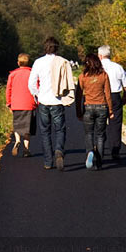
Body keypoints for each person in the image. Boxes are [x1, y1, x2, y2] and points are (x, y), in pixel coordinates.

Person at [28, 37, 75, 171]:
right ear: (57, 48)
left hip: (43, 100)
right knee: (60, 129)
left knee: (45, 131)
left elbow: (31, 83)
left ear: (45, 47)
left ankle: (48, 161)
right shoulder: (62, 61)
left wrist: (36, 94)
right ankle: (59, 150)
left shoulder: (38, 62)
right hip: (57, 100)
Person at [75, 54, 114, 170]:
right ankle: (100, 161)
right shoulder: (104, 75)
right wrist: (110, 110)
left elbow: (78, 96)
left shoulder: (82, 77)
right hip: (102, 107)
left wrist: (78, 111)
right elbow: (108, 94)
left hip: (88, 107)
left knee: (88, 133)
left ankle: (90, 152)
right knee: (100, 135)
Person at [98, 45, 126, 161]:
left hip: (100, 96)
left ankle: (99, 148)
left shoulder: (97, 67)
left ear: (100, 56)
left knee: (100, 123)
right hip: (115, 96)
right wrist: (125, 96)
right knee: (116, 123)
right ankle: (115, 149)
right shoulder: (118, 67)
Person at [6, 53, 37, 157]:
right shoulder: (32, 73)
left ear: (18, 63)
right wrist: (38, 101)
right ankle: (26, 149)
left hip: (16, 103)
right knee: (28, 127)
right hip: (29, 104)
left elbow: (8, 90)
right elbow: (37, 87)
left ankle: (17, 140)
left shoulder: (12, 74)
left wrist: (9, 103)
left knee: (17, 124)